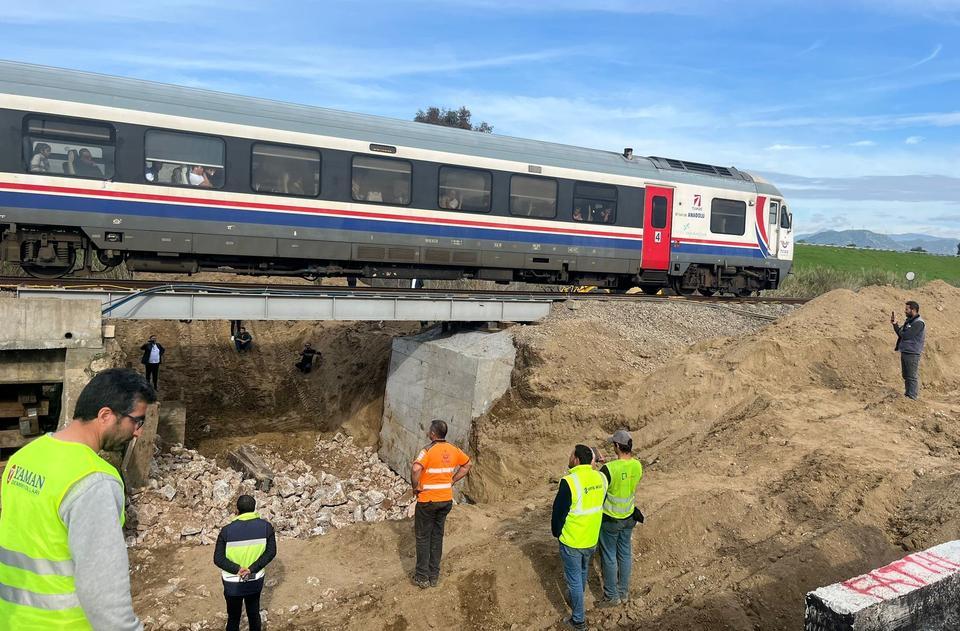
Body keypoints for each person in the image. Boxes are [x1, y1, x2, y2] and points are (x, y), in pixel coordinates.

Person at [0, 368, 156, 629]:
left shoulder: (25, 458)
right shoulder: (94, 480)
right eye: (136, 421)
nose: (138, 432)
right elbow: (103, 591)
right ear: (105, 415)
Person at [552, 444, 608, 631]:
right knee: (582, 573)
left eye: (571, 455)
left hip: (573, 540)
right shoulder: (600, 478)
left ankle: (578, 620)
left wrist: (557, 532)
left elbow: (558, 513)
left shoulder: (569, 482)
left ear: (576, 459)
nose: (569, 457)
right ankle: (577, 600)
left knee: (574, 581)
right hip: (591, 538)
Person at [410, 419, 472, 588]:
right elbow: (467, 465)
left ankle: (422, 577)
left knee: (423, 537)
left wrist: (415, 487)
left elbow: (416, 469)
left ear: (432, 434)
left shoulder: (427, 450)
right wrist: (451, 481)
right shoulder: (453, 450)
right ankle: (434, 576)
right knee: (437, 536)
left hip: (427, 500)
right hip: (445, 500)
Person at [213, 495, 276, 631]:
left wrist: (237, 569)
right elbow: (271, 553)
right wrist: (251, 569)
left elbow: (218, 559)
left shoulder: (226, 531)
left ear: (237, 510)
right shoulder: (266, 528)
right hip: (254, 579)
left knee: (233, 617)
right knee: (253, 614)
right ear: (254, 508)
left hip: (231, 582)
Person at [597, 430, 643, 607]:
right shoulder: (637, 466)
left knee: (609, 556)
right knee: (624, 553)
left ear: (617, 446)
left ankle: (612, 596)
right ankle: (623, 593)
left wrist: (599, 468)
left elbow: (600, 488)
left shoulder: (609, 469)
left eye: (613, 444)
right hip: (629, 517)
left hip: (611, 519)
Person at [891, 300, 926, 400]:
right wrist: (895, 324)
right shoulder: (910, 321)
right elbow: (901, 335)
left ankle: (912, 397)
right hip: (906, 351)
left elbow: (906, 336)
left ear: (913, 310)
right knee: (906, 375)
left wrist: (901, 330)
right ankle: (908, 395)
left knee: (911, 376)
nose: (905, 311)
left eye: (907, 309)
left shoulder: (918, 323)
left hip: (913, 353)